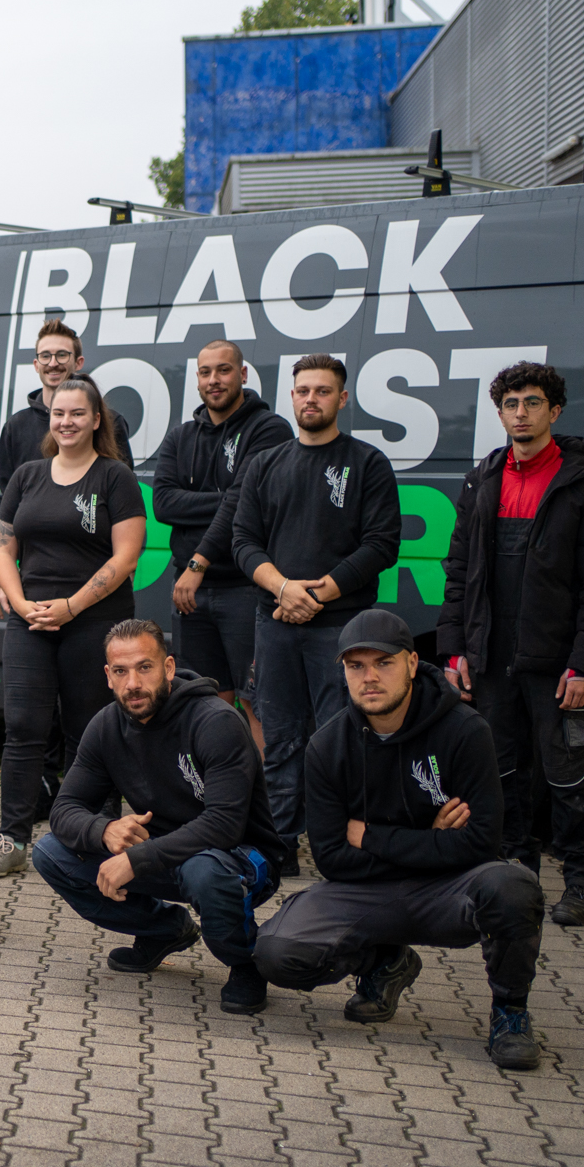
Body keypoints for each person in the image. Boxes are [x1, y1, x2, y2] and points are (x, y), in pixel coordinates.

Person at [254, 610, 546, 1071]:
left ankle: (510, 1012)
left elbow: (482, 843)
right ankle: (385, 962)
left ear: (412, 663)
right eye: (356, 666)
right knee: (275, 952)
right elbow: (332, 858)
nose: (369, 677)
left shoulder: (466, 732)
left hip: (449, 889)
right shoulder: (327, 747)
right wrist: (429, 839)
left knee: (512, 887)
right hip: (369, 891)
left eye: (383, 663)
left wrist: (369, 835)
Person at [440, 361, 584, 927]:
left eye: (532, 402)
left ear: (555, 410)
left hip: (557, 665)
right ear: (499, 413)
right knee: (500, 773)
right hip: (492, 659)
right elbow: (459, 573)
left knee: (569, 775)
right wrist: (455, 649)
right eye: (511, 404)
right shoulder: (483, 479)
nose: (521, 413)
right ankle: (514, 873)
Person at [34, 620, 287, 1014]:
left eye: (144, 667)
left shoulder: (214, 721)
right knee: (52, 854)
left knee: (204, 872)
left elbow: (224, 824)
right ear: (108, 676)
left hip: (240, 858)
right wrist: (104, 830)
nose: (133, 682)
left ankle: (246, 963)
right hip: (167, 857)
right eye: (121, 671)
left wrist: (135, 859)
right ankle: (162, 930)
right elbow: (64, 810)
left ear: (168, 668)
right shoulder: (106, 727)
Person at [230, 353, 401, 867]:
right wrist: (283, 589)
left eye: (323, 391)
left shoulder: (367, 463)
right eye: (303, 390)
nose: (311, 399)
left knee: (341, 739)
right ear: (292, 396)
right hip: (276, 624)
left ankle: (337, 848)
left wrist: (317, 594)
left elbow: (381, 544)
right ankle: (281, 848)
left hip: (343, 631)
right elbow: (243, 542)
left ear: (342, 399)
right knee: (279, 740)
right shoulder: (265, 465)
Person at [0, 379, 146, 879]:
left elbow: (127, 556)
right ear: (49, 419)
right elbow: (3, 548)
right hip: (31, 621)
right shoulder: (28, 475)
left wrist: (72, 606)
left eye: (78, 413)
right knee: (23, 731)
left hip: (95, 622)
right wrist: (19, 601)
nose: (67, 422)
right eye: (59, 413)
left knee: (91, 732)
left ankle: (91, 833)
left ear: (98, 420)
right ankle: (12, 837)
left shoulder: (115, 478)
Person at [157, 341, 294, 736]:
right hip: (191, 598)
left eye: (223, 370)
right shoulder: (180, 437)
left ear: (243, 374)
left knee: (258, 702)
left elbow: (244, 501)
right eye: (205, 372)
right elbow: (164, 503)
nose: (214, 380)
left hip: (245, 590)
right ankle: (219, 794)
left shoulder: (269, 428)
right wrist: (229, 497)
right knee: (206, 703)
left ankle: (268, 798)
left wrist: (199, 558)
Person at [0, 320, 131, 490]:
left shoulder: (110, 422)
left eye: (62, 355)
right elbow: (7, 496)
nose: (53, 363)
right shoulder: (15, 426)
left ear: (78, 362)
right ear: (36, 365)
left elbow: (124, 492)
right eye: (45, 356)